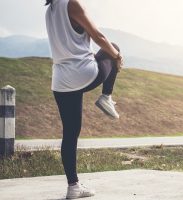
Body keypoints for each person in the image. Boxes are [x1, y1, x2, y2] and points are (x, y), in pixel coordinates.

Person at [45, 0, 123, 198]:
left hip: (61, 81)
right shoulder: (72, 3)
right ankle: (106, 96)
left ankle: (73, 187)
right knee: (112, 46)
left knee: (70, 134)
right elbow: (98, 36)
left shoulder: (51, 10)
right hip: (83, 74)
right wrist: (116, 57)